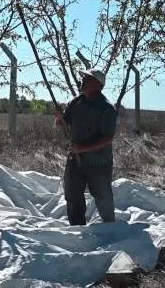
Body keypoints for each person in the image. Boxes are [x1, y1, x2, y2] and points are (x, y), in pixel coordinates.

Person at [54, 67, 117, 225]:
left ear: (97, 84)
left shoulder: (107, 109)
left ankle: (111, 229)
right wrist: (59, 121)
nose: (82, 80)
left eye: (87, 78)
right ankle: (77, 230)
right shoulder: (76, 102)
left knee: (103, 198)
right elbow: (65, 126)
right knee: (72, 195)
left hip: (99, 163)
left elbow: (108, 138)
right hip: (75, 159)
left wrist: (82, 148)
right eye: (83, 77)